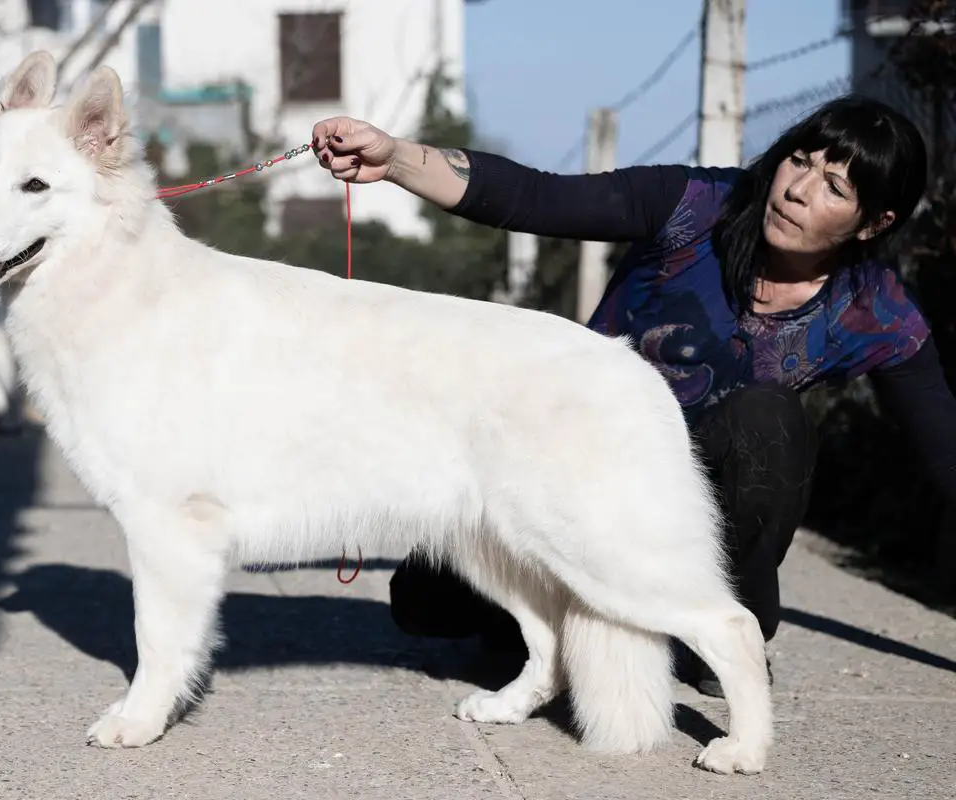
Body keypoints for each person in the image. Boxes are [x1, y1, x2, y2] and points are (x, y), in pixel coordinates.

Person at [309, 96, 956, 696]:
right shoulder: (697, 204)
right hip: (569, 479)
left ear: (875, 223)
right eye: (801, 159)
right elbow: (535, 197)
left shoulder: (877, 314)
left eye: (836, 187)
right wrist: (395, 158)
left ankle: (727, 632)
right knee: (427, 605)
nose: (798, 189)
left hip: (694, 509)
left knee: (769, 421)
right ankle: (574, 617)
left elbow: (947, 456)